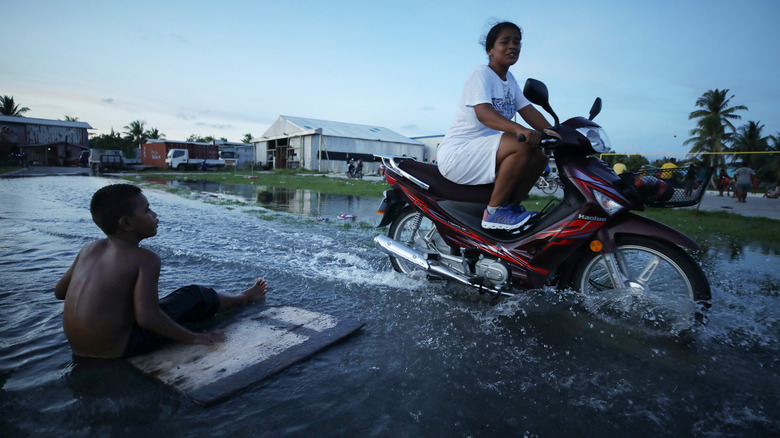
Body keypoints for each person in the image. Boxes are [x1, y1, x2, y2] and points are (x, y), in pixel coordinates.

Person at [54, 184, 268, 359]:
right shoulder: (145, 258)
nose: (154, 214)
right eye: (147, 210)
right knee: (194, 295)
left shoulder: (89, 249)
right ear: (126, 223)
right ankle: (243, 298)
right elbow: (147, 318)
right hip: (118, 349)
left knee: (160, 302)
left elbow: (60, 292)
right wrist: (194, 338)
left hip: (79, 348)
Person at [437, 21, 551, 230]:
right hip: (459, 153)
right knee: (523, 143)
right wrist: (519, 129)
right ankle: (494, 213)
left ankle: (510, 207)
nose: (512, 46)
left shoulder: (511, 81)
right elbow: (484, 114)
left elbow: (530, 112)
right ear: (490, 49)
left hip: (484, 151)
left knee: (542, 150)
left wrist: (557, 134)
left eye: (517, 42)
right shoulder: (481, 74)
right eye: (505, 41)